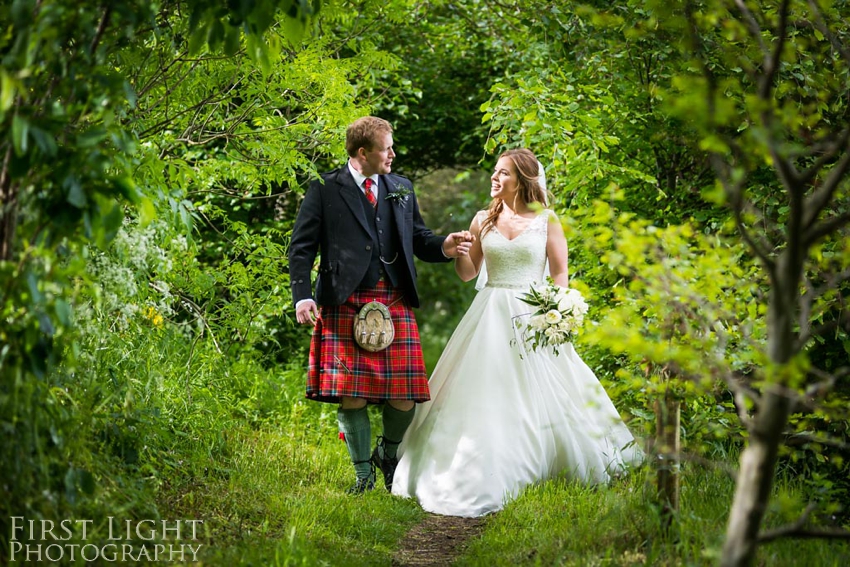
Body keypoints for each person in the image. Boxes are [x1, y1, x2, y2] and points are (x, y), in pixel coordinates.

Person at [391, 148, 643, 517]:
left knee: (547, 387)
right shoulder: (483, 219)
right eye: (494, 172)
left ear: (522, 180)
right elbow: (467, 273)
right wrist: (462, 249)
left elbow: (559, 273)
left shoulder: (546, 220)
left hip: (533, 315)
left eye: (503, 173)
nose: (494, 178)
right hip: (490, 314)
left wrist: (557, 311)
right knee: (482, 388)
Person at [288, 116, 474, 494]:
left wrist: (444, 246)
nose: (393, 154)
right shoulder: (325, 188)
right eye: (386, 148)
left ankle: (387, 455)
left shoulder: (401, 187)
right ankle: (362, 475)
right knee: (351, 392)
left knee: (405, 394)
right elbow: (302, 247)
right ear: (362, 153)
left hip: (394, 296)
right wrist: (302, 294)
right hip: (344, 297)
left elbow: (418, 238)